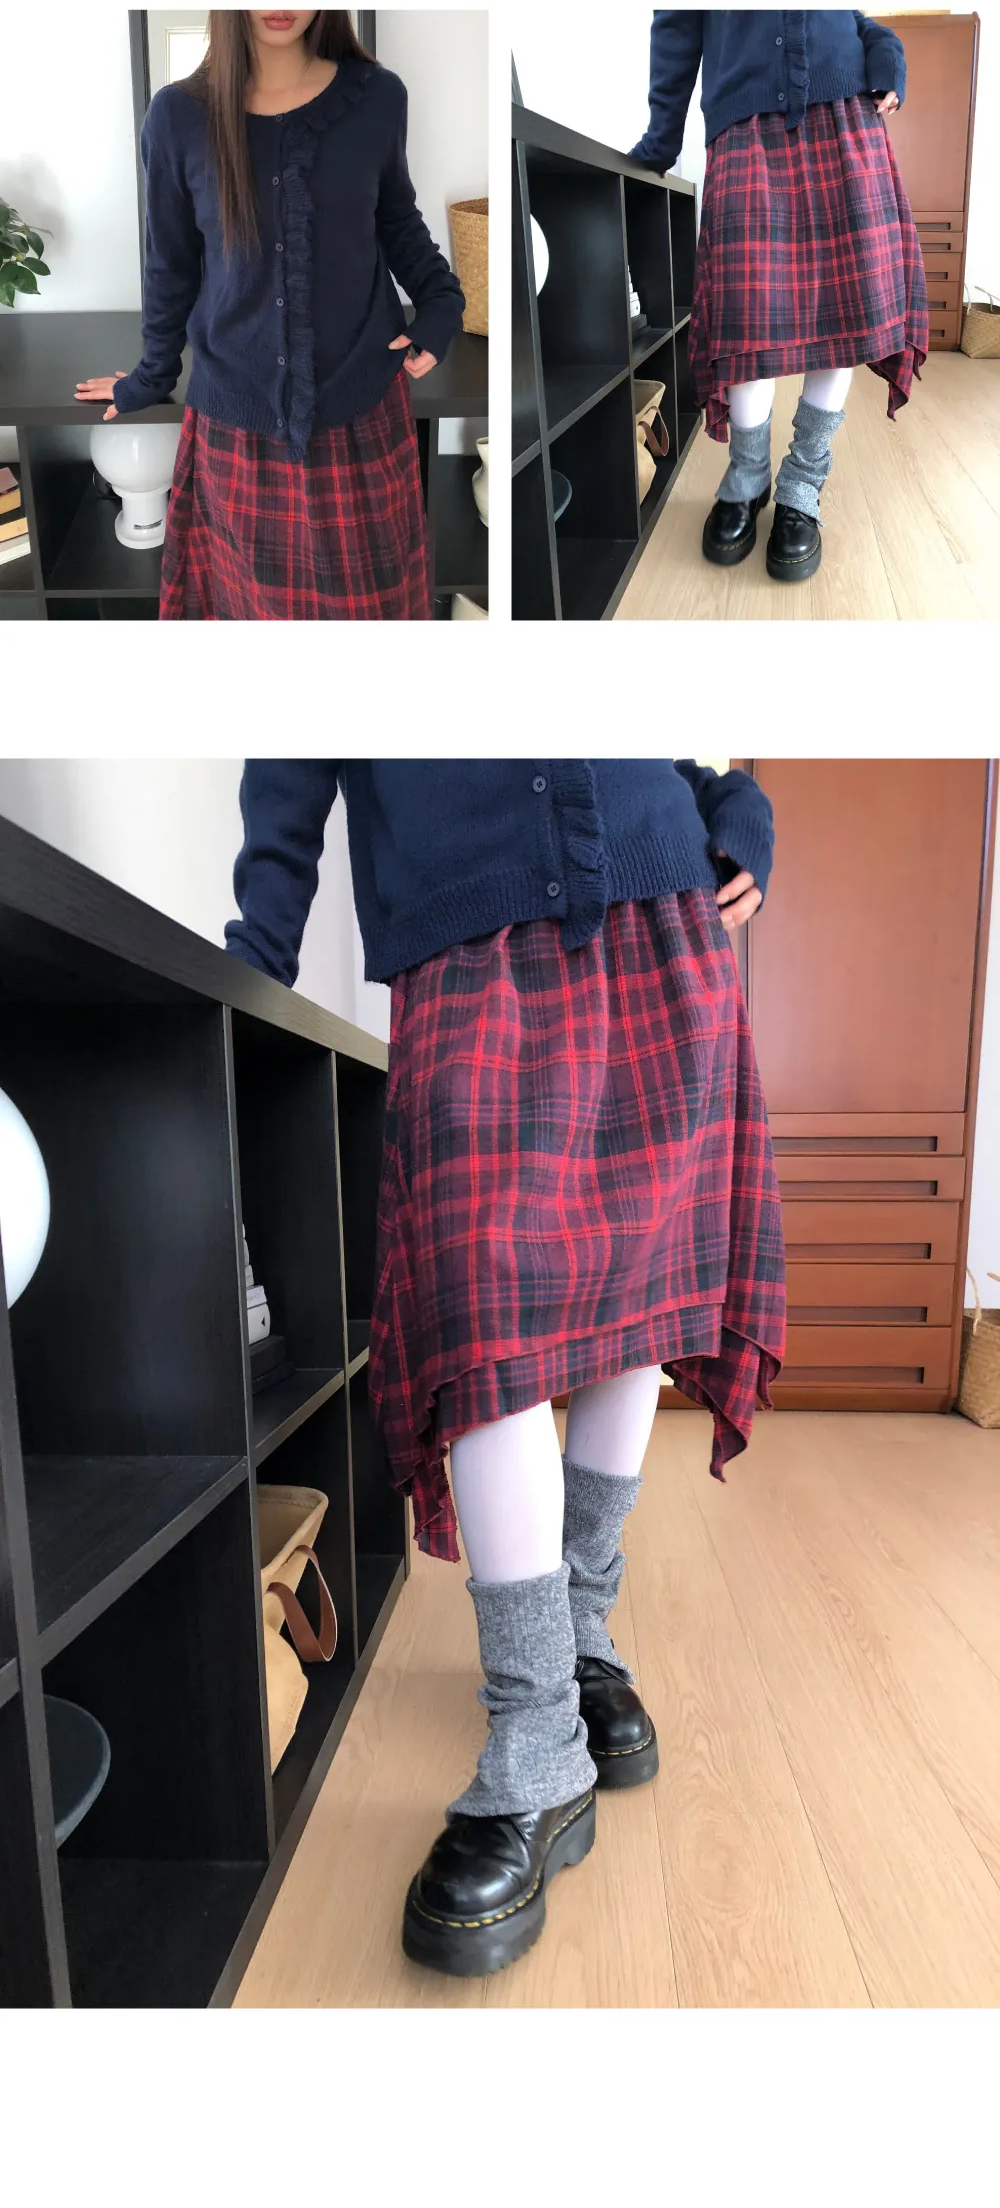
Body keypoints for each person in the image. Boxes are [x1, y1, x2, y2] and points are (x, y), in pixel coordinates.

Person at [225, 753, 786, 1977]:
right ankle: (538, 1733)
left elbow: (682, 746)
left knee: (638, 1293)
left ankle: (578, 1634)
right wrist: (254, 957)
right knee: (484, 1321)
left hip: (661, 909)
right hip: (460, 937)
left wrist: (735, 810)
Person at [74, 11, 459, 619]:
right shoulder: (177, 116)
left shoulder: (377, 97)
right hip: (238, 425)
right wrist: (150, 374)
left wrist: (441, 304)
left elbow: (397, 221)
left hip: (361, 413)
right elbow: (169, 265)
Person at [633, 7, 929, 573]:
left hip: (846, 117)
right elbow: (677, 25)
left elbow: (856, 19)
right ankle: (748, 475)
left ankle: (802, 483)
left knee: (844, 315)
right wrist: (661, 141)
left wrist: (888, 60)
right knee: (747, 321)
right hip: (743, 125)